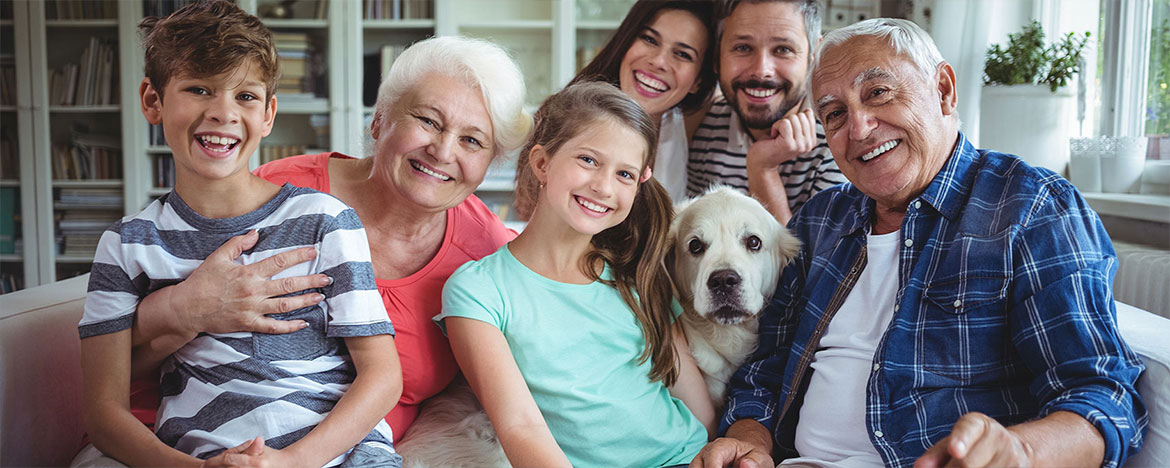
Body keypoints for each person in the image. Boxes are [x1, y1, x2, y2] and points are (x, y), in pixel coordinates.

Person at [691, 18, 1147, 468]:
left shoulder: (1031, 208)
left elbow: (1101, 395)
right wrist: (750, 439)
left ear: (944, 89)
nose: (860, 128)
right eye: (834, 114)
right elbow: (764, 366)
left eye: (878, 93)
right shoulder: (819, 220)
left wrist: (1020, 452)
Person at [113, 33, 532, 456]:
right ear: (379, 119)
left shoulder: (487, 251)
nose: (442, 150)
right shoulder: (274, 193)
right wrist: (185, 306)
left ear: (490, 163)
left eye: (472, 140)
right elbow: (120, 349)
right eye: (427, 120)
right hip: (200, 442)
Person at [76, 2, 402, 467]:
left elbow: (383, 376)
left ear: (268, 114)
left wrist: (294, 462)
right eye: (199, 89)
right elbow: (103, 412)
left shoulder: (325, 220)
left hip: (334, 454)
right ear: (153, 101)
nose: (223, 113)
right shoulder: (127, 245)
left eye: (245, 96)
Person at [437, 82, 714, 468]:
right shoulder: (479, 290)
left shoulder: (635, 277)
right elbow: (519, 426)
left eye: (625, 175)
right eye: (588, 160)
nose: (602, 187)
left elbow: (700, 410)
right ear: (541, 163)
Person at [515, 0, 717, 209]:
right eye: (649, 39)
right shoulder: (569, 117)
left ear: (698, 81)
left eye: (683, 54)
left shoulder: (689, 126)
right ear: (626, 42)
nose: (659, 62)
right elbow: (529, 210)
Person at [687, 0, 846, 224]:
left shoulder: (840, 139)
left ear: (814, 57)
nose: (761, 70)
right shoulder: (705, 126)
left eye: (783, 50)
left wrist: (763, 171)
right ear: (716, 57)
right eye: (743, 48)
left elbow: (814, 259)